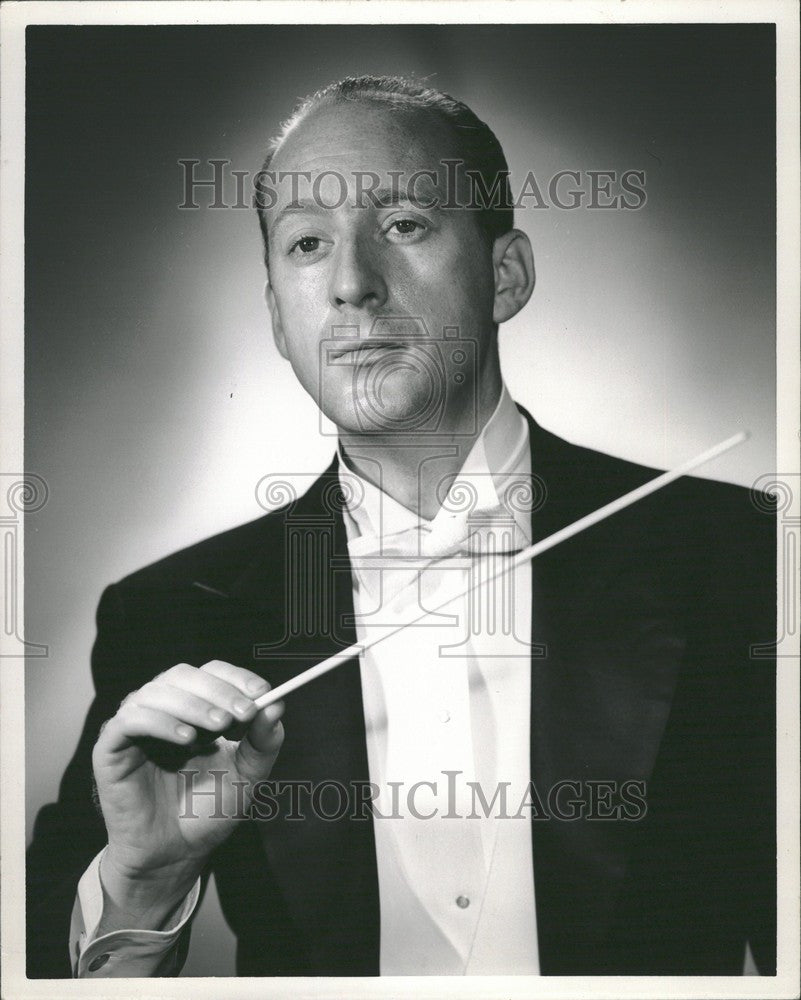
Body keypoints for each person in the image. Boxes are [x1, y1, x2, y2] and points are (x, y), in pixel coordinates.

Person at [26, 75, 776, 979]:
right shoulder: (171, 616)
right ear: (276, 316)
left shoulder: (745, 558)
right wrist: (147, 881)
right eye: (306, 244)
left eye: (405, 225)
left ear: (506, 275)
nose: (350, 285)